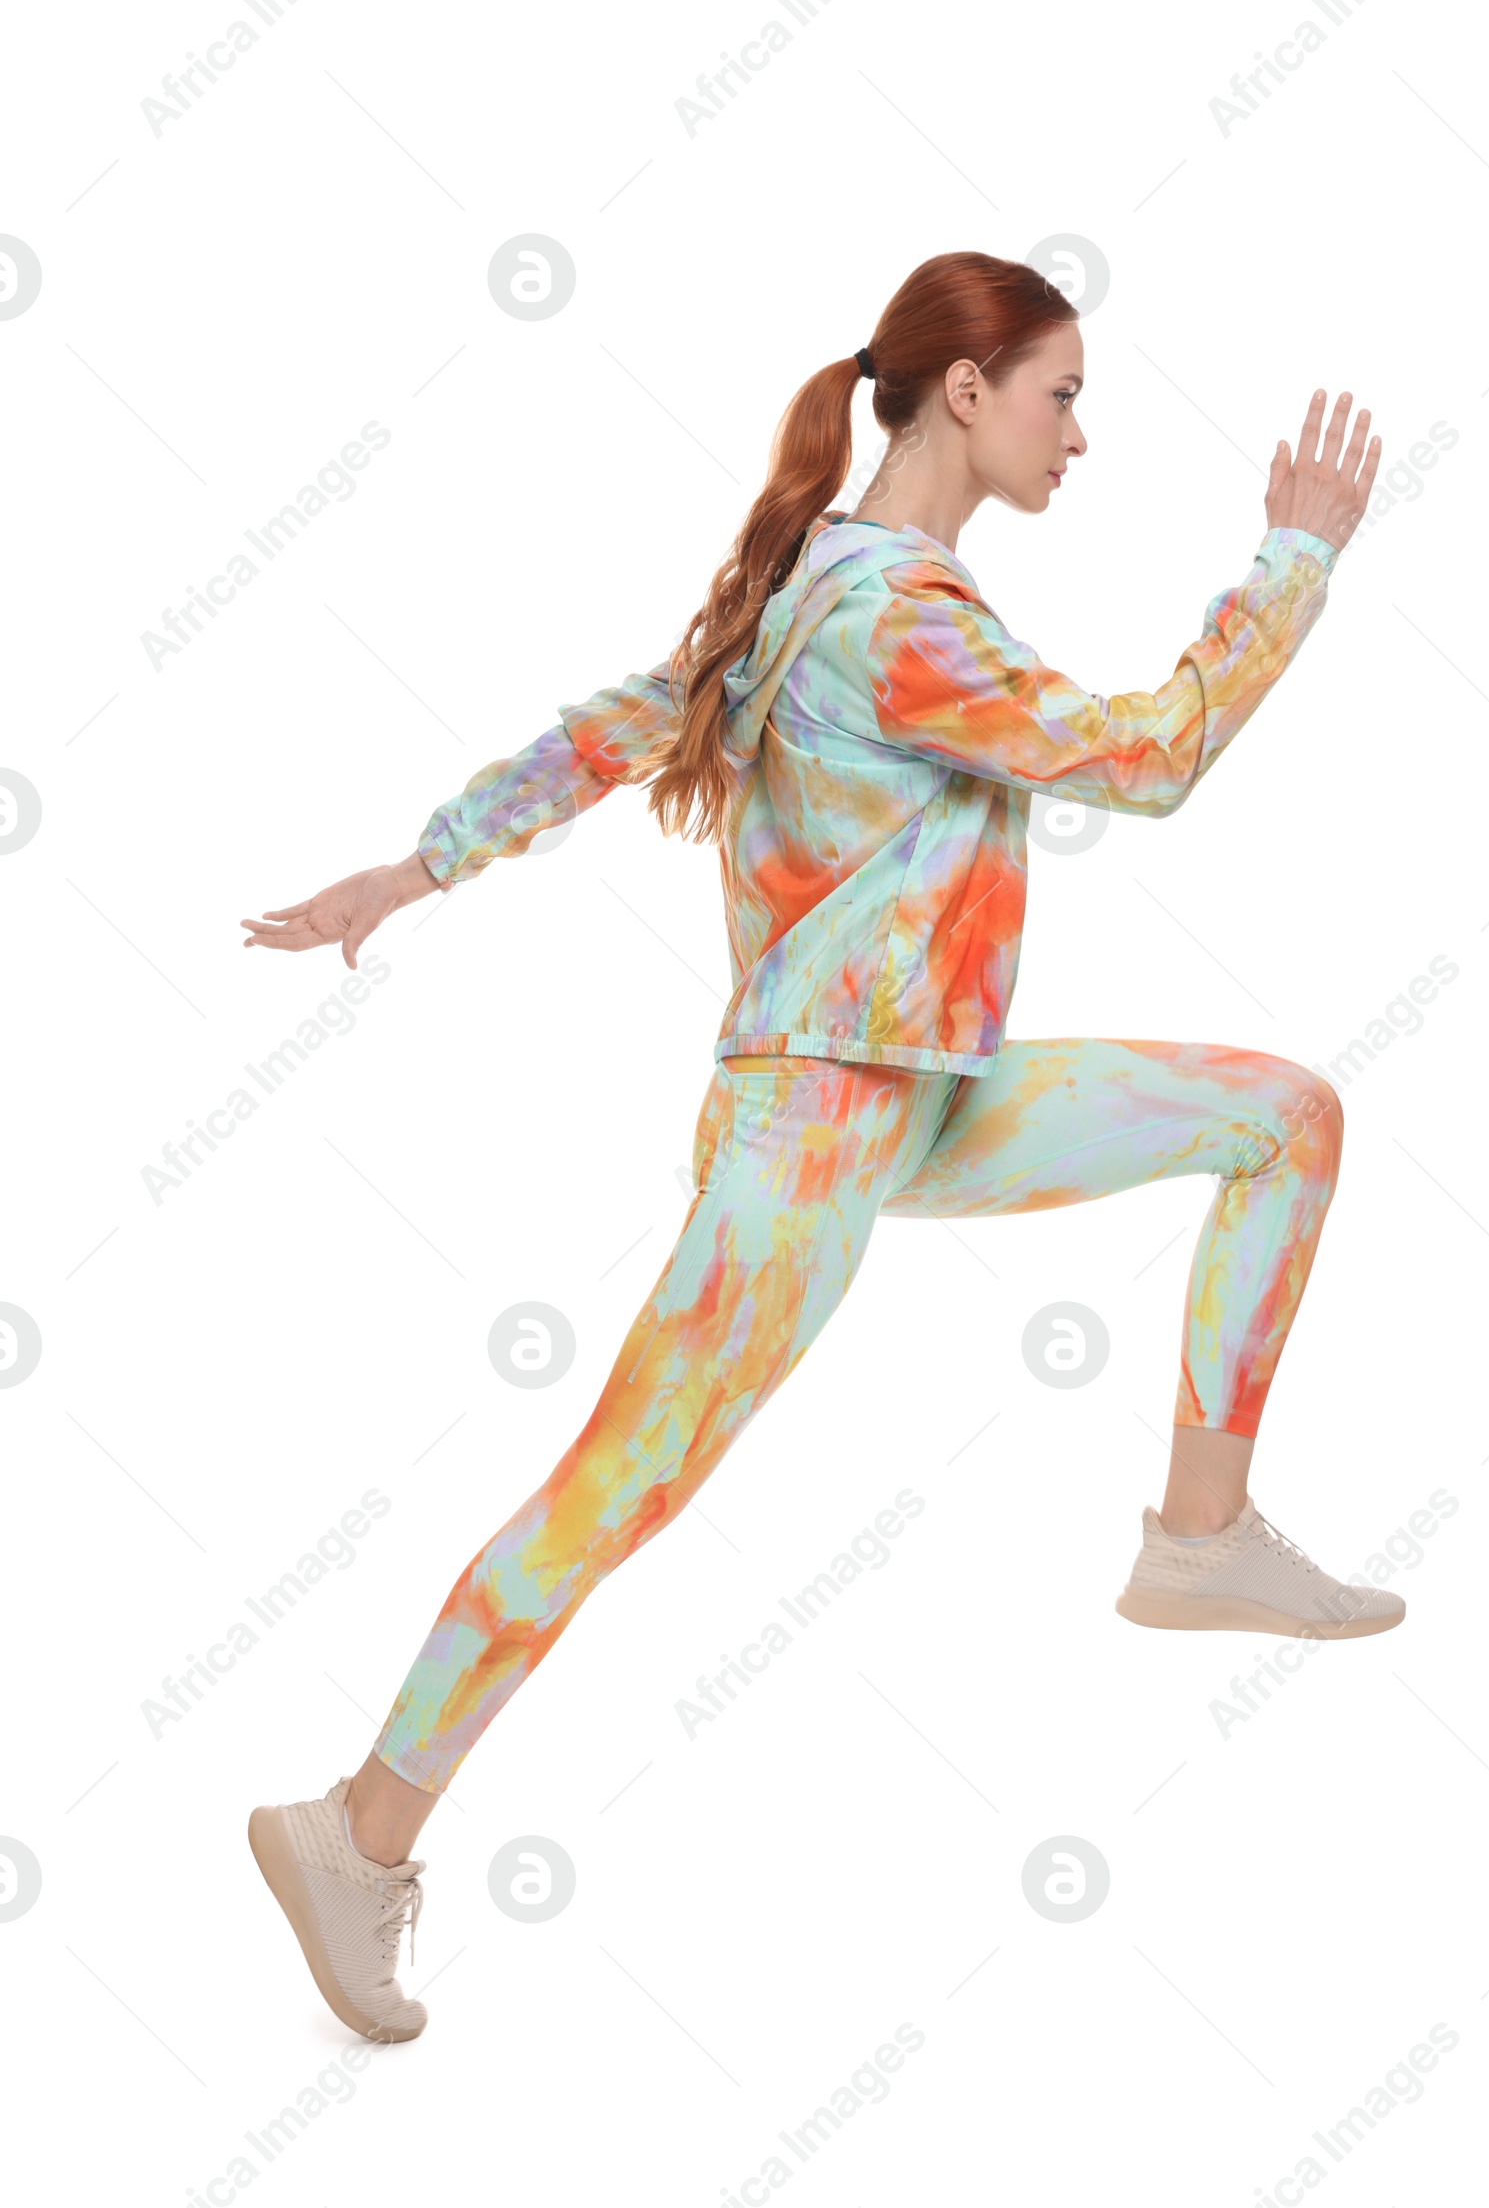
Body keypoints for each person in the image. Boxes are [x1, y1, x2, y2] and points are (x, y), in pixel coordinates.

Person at [240, 250, 1390, 2045]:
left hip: (916, 1081)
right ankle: (355, 1826)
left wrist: (422, 858)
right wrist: (1296, 556)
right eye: (1061, 393)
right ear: (962, 391)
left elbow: (621, 726)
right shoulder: (895, 618)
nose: (1081, 434)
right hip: (816, 1121)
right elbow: (1152, 760)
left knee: (1286, 1115)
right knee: (616, 1488)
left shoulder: (813, 583)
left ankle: (1198, 1528)